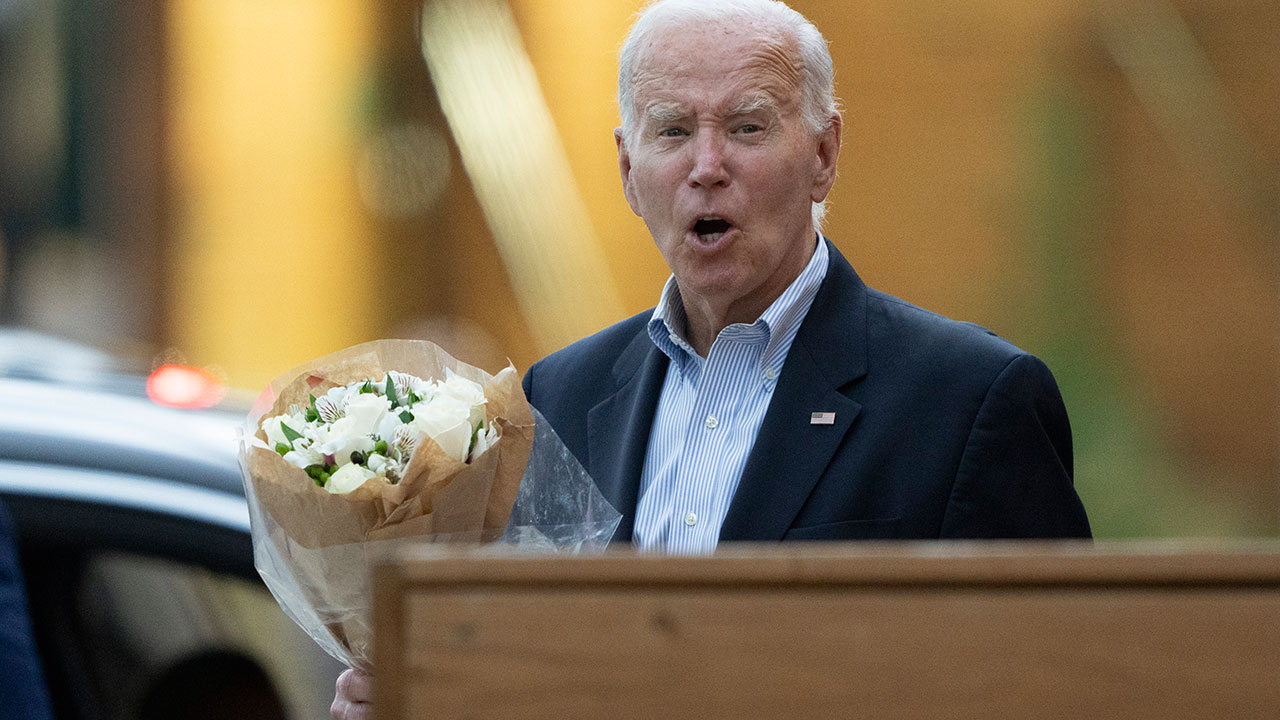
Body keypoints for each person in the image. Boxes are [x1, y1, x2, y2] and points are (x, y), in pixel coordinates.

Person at [333, 0, 1089, 715]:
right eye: (671, 132)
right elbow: (526, 670)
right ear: (629, 170)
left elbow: (1065, 689)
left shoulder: (970, 402)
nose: (706, 166)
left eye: (748, 128)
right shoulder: (558, 396)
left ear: (824, 153)